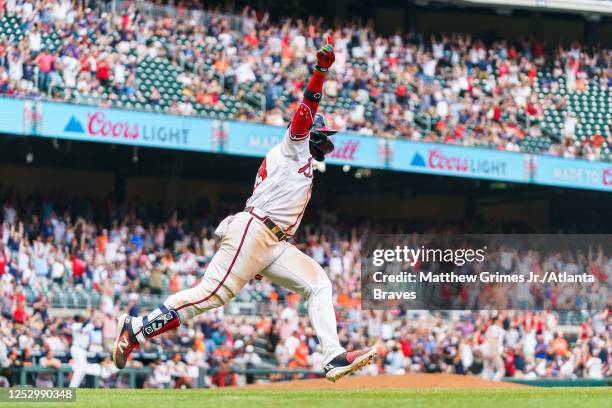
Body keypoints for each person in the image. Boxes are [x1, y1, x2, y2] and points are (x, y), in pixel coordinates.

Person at [112, 36, 376, 382]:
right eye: (321, 133)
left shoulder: (299, 159)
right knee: (209, 295)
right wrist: (320, 72)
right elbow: (305, 110)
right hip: (255, 231)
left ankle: (333, 356)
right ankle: (136, 328)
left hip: (272, 242)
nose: (326, 141)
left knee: (318, 283)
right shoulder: (293, 146)